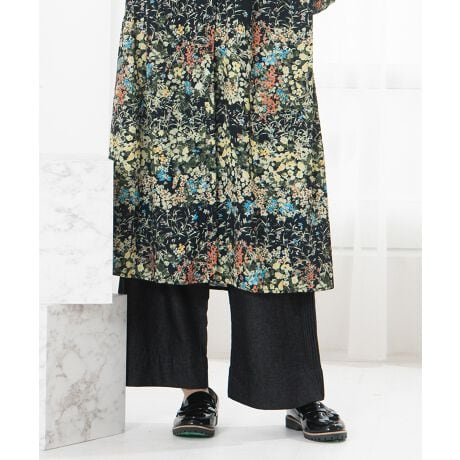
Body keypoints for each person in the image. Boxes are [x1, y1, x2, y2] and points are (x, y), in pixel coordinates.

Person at [110, 0, 347, 442]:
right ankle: (193, 393)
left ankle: (297, 392)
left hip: (264, 52)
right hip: (173, 43)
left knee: (273, 232)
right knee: (175, 218)